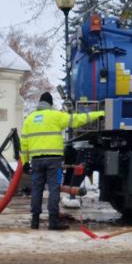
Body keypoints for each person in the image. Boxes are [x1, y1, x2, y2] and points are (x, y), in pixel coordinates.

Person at [21, 92, 104, 230]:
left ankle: (34, 221)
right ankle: (53, 222)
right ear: (50, 104)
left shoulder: (29, 119)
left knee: (37, 189)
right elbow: (76, 119)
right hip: (54, 160)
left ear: (40, 104)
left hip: (36, 161)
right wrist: (98, 114)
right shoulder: (55, 116)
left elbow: (24, 143)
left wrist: (24, 161)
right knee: (54, 189)